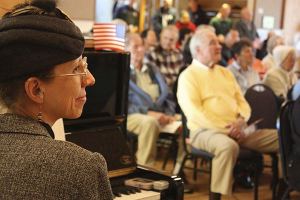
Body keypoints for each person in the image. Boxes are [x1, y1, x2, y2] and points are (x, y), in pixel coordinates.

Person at [0, 1, 113, 199]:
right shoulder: (80, 167)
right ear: (36, 89)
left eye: (85, 65)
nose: (90, 79)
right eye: (77, 69)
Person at [177, 28, 279, 200]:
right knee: (227, 146)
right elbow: (195, 114)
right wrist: (228, 130)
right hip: (204, 132)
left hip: (238, 131)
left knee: (283, 137)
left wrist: (241, 121)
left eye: (218, 42)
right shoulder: (188, 76)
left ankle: (285, 184)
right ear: (198, 50)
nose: (219, 46)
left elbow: (243, 105)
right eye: (212, 43)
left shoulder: (225, 73)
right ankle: (218, 197)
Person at [126, 33, 176, 166]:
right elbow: (122, 104)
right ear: (125, 49)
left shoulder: (152, 69)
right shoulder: (123, 71)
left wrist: (169, 114)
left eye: (142, 46)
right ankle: (145, 169)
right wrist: (148, 112)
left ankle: (178, 171)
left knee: (186, 125)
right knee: (150, 122)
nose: (141, 50)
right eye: (135, 47)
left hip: (160, 114)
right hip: (132, 114)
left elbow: (168, 95)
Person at [145, 25, 183, 91]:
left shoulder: (179, 54)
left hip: (176, 90)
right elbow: (153, 78)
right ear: (160, 37)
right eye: (165, 38)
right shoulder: (152, 53)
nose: (168, 42)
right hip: (160, 91)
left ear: (176, 41)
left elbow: (181, 76)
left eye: (171, 40)